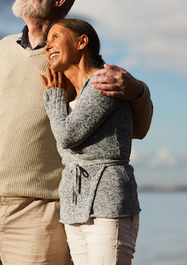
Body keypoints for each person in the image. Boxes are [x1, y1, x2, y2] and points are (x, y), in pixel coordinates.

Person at [0, 0, 153, 265]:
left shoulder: (72, 63)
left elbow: (134, 127)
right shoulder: (1, 49)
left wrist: (139, 90)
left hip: (40, 212)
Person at [40, 19, 140, 265]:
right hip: (75, 204)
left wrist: (54, 99)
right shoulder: (80, 92)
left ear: (82, 42)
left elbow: (67, 136)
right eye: (46, 40)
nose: (47, 45)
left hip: (107, 201)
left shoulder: (103, 82)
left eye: (55, 37)